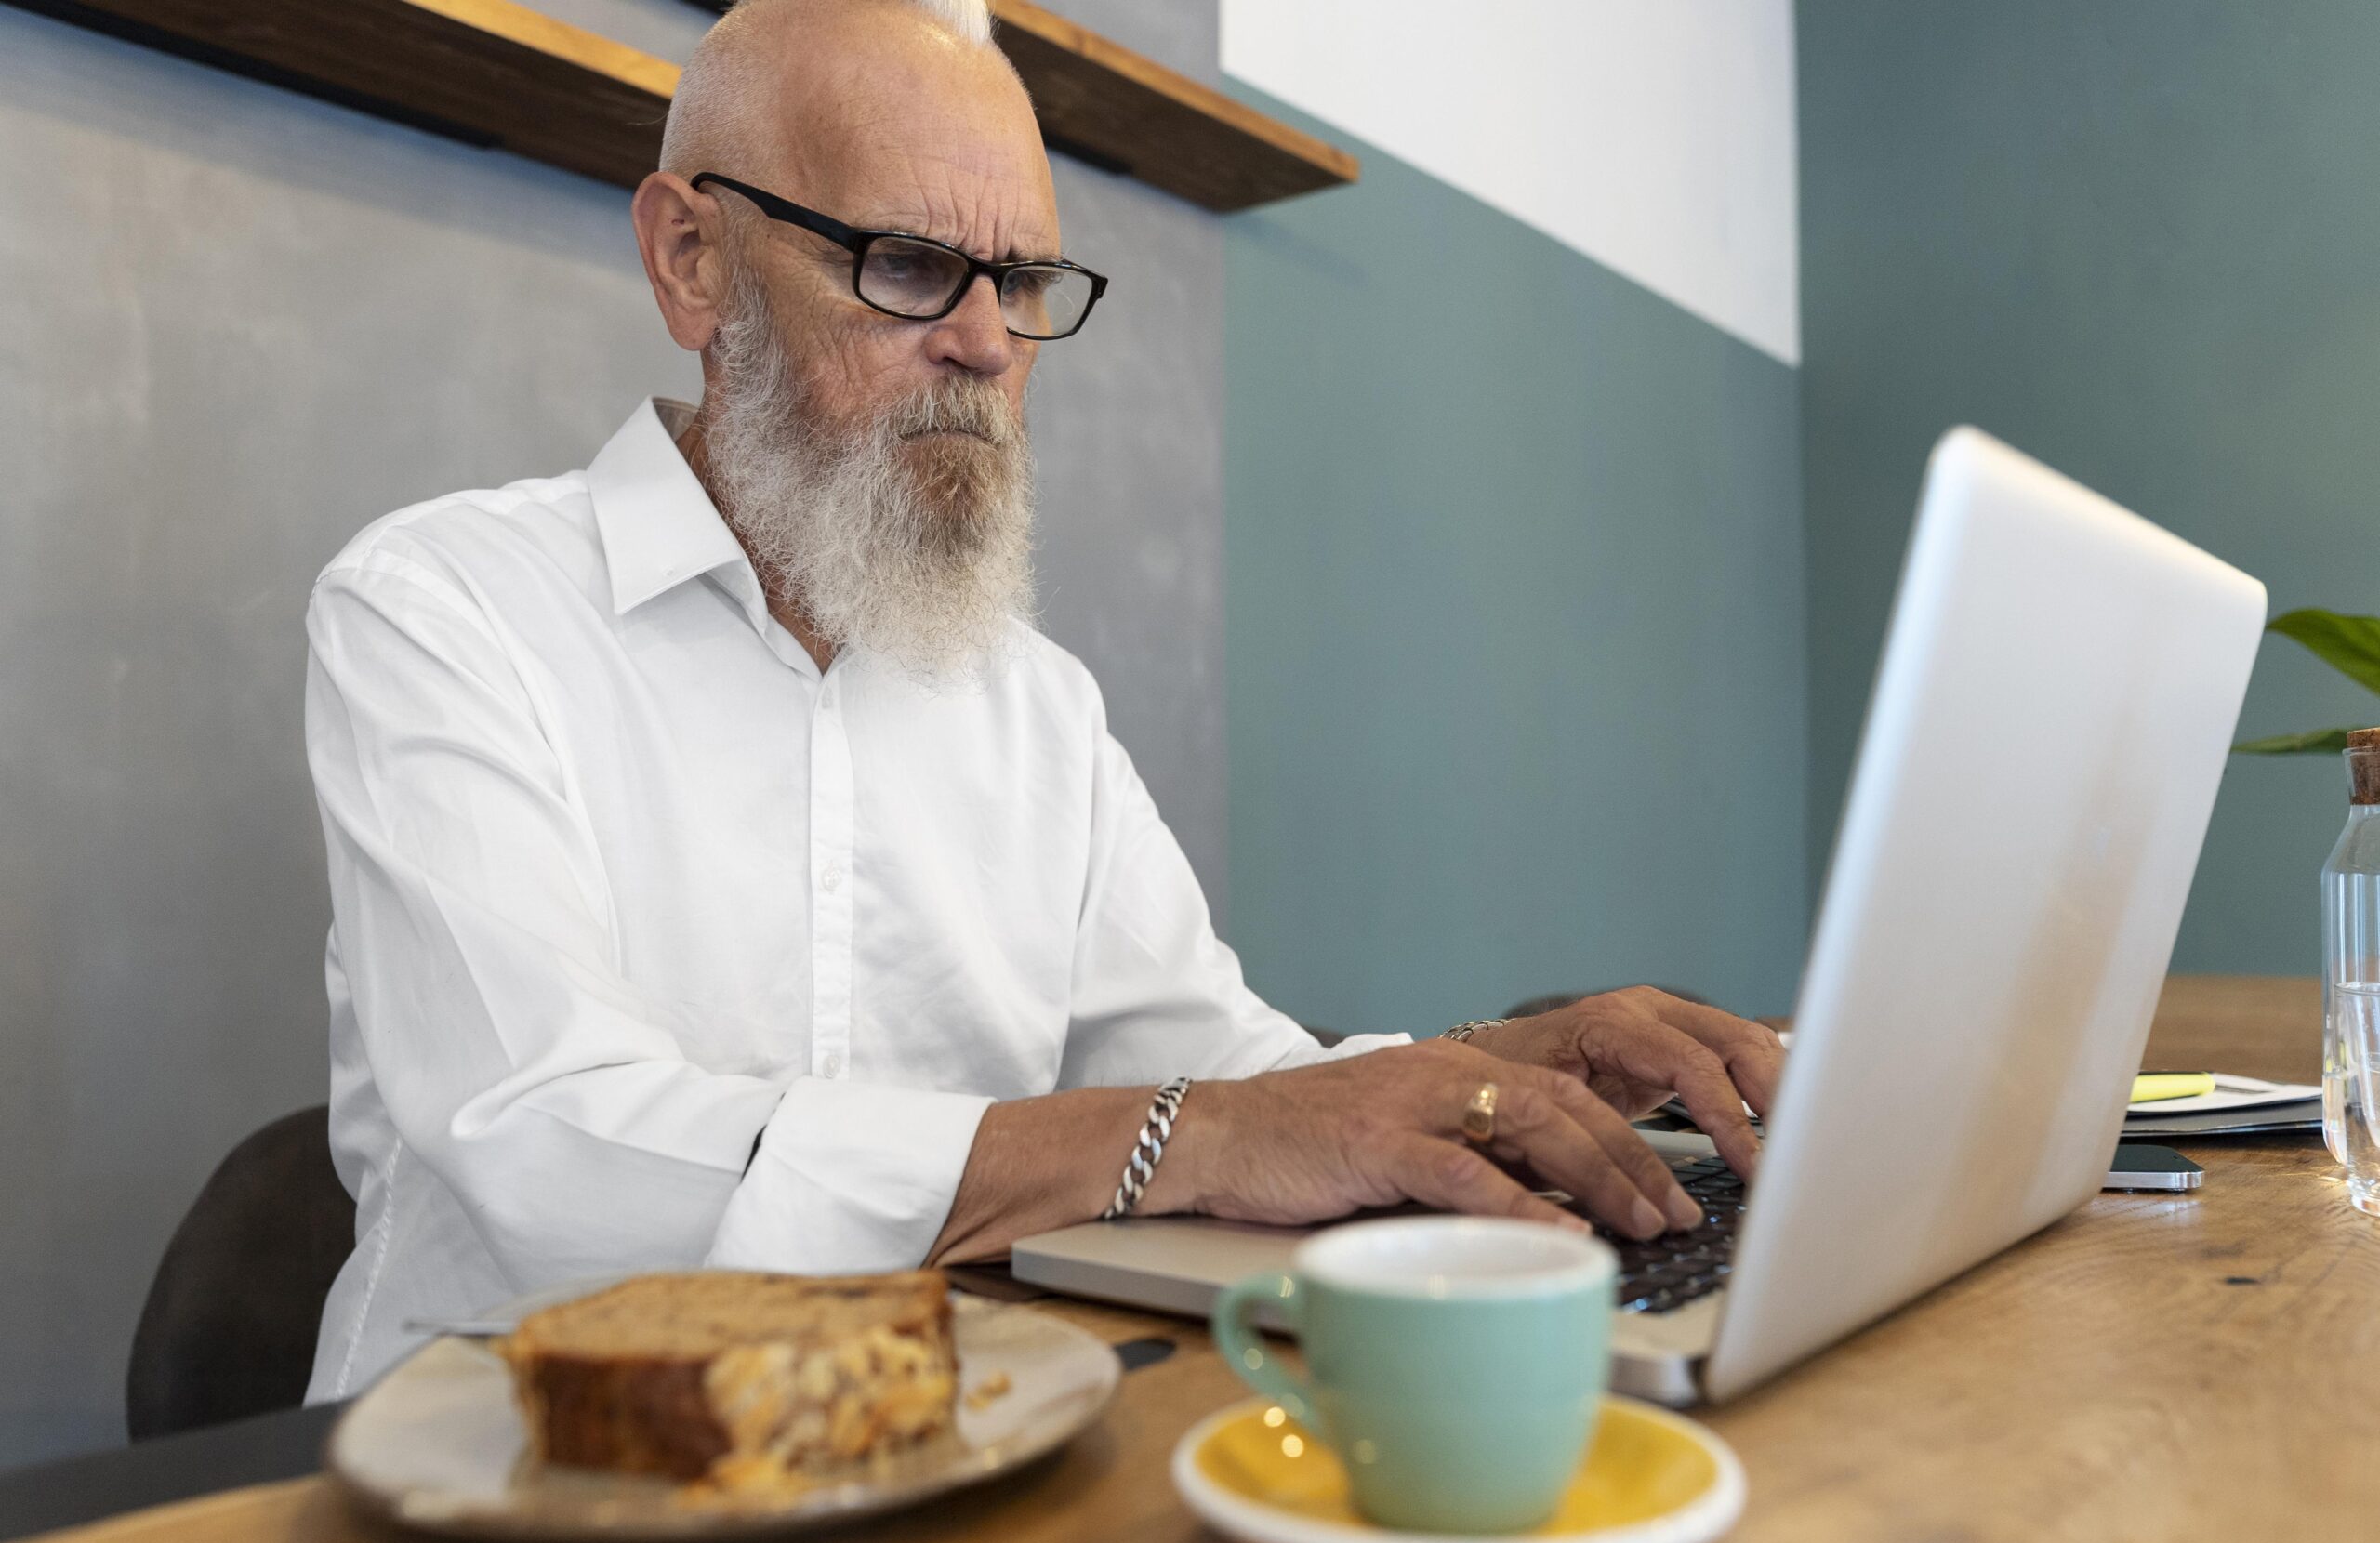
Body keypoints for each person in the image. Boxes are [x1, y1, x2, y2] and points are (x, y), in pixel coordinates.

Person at [301, 0, 1781, 1402]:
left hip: (934, 1448)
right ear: (693, 259)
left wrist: (1488, 1076)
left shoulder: (1033, 704)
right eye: (905, 264)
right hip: (496, 1469)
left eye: (1019, 281)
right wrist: (1195, 1132)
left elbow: (1218, 1081)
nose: (989, 344)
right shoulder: (443, 609)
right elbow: (553, 1154)